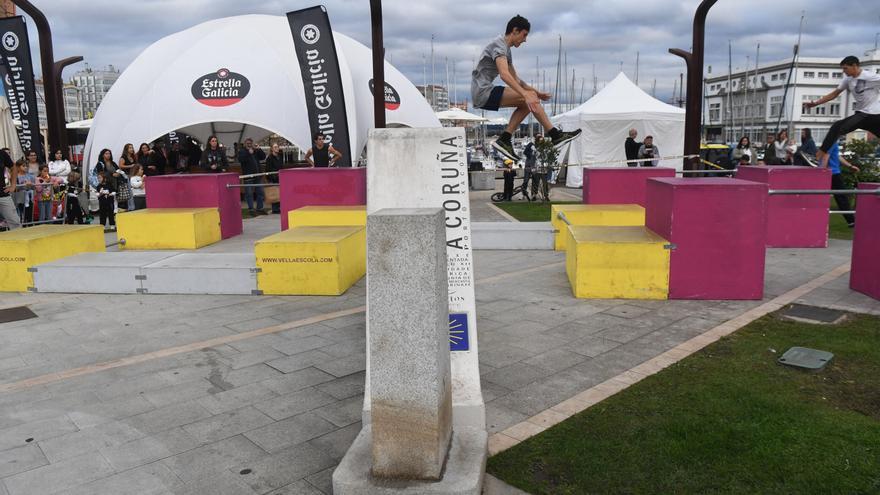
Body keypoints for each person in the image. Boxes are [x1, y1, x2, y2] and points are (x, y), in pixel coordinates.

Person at [471, 15, 581, 162]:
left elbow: (515, 79)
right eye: (524, 35)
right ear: (515, 31)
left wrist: (535, 92)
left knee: (528, 103)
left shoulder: (506, 50)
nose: (525, 40)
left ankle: (505, 138)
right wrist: (526, 94)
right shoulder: (499, 45)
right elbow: (504, 74)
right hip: (483, 92)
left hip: (485, 91)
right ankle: (556, 136)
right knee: (528, 99)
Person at [806, 56, 880, 167]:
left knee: (837, 127)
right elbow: (834, 94)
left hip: (872, 115)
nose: (843, 71)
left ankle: (817, 157)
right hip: (862, 115)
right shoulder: (848, 79)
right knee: (837, 128)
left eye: (845, 68)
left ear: (854, 66)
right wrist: (816, 103)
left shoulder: (871, 76)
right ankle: (817, 158)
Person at [825, 142, 858, 228]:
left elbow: (837, 157)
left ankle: (851, 221)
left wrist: (850, 166)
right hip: (833, 174)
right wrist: (821, 172)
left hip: (833, 173)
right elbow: (826, 157)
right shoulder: (832, 143)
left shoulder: (833, 143)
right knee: (842, 198)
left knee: (841, 198)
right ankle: (851, 221)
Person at [238, 137, 267, 216]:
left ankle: (260, 208)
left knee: (260, 192)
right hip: (248, 176)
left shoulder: (255, 151)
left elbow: (263, 157)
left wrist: (259, 149)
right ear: (245, 144)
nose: (249, 145)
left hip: (257, 176)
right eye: (248, 143)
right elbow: (241, 159)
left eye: (250, 143)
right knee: (249, 193)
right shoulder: (242, 151)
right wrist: (248, 153)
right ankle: (251, 209)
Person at [0, 148, 20, 230]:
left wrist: (13, 185)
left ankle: (19, 242)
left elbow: (13, 167)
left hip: (2, 193)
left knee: (15, 222)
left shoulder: (2, 153)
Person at [265, 142, 284, 214]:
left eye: (277, 147)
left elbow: (281, 167)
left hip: (280, 177)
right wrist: (271, 178)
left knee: (280, 194)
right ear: (272, 149)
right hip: (273, 178)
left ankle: (279, 208)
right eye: (275, 147)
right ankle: (275, 209)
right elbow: (268, 169)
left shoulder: (280, 156)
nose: (277, 148)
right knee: (274, 194)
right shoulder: (269, 158)